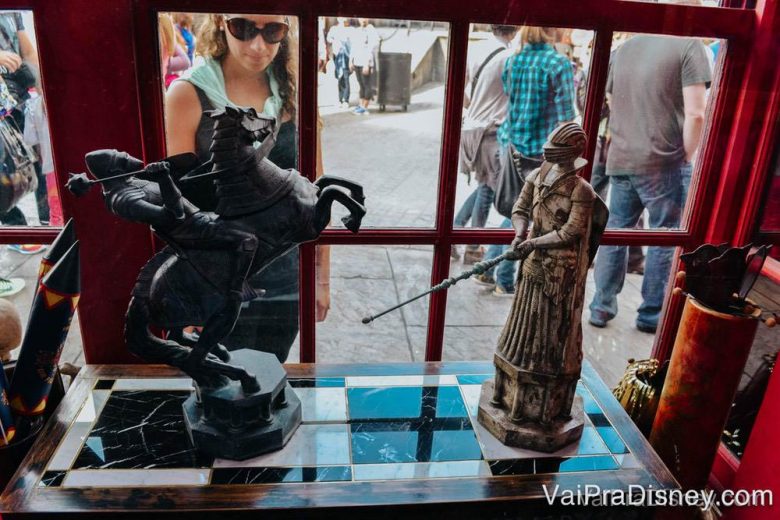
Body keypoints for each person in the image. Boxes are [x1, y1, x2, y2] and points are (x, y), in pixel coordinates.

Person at [165, 14, 328, 362]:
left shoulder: (293, 94)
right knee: (220, 381)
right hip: (219, 282)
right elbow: (180, 208)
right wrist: (189, 294)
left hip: (286, 276)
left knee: (269, 371)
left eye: (272, 31)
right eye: (244, 28)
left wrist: (320, 279)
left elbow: (315, 195)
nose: (258, 45)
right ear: (221, 23)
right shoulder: (187, 95)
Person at [588, 32, 711, 333]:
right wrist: (687, 155)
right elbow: (696, 113)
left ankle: (601, 307)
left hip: (622, 156)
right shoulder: (690, 45)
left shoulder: (624, 48)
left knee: (616, 231)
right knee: (664, 237)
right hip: (664, 160)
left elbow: (613, 101)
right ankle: (651, 315)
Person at [484, 26, 576, 295]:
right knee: (531, 215)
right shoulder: (559, 64)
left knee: (516, 209)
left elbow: (510, 98)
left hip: (510, 146)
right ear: (553, 30)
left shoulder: (513, 60)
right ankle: (503, 276)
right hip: (540, 154)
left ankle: (489, 269)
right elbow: (566, 119)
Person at [453, 24, 519, 265]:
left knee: (485, 183)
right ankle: (472, 245)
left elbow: (458, 88)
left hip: (471, 128)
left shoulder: (477, 49)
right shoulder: (510, 58)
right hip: (492, 131)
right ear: (515, 29)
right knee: (488, 188)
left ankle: (457, 228)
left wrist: (475, 109)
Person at [0, 11, 46, 254]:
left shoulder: (11, 11)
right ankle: (13, 228)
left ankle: (46, 225)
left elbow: (28, 51)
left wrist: (42, 88)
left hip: (16, 101)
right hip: (6, 99)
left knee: (30, 163)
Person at [24, 91, 62, 226]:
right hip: (79, 163)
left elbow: (29, 139)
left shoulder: (34, 106)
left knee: (57, 213)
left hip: (50, 164)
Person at [350, 18, 378, 116]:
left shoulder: (371, 31)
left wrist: (367, 64)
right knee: (361, 84)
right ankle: (361, 105)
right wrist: (351, 60)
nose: (363, 20)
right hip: (357, 61)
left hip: (366, 62)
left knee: (367, 85)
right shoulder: (357, 31)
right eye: (361, 18)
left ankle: (365, 107)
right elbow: (353, 47)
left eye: (365, 18)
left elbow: (371, 49)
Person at [159, 14, 190, 89]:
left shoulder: (165, 23)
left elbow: (185, 61)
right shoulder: (164, 24)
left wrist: (166, 63)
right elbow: (185, 61)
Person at [327, 17, 352, 109]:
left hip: (346, 56)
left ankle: (346, 100)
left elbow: (352, 44)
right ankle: (340, 99)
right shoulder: (334, 29)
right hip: (337, 56)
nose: (343, 21)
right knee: (338, 77)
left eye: (345, 19)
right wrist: (335, 40)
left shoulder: (350, 30)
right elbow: (329, 38)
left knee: (346, 77)